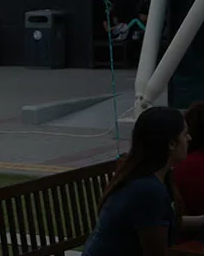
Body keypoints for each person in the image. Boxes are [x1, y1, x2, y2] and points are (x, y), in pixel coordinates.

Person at [80, 107, 191, 255]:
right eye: (185, 134)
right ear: (171, 144)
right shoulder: (148, 189)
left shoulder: (148, 177)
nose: (190, 138)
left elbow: (166, 221)